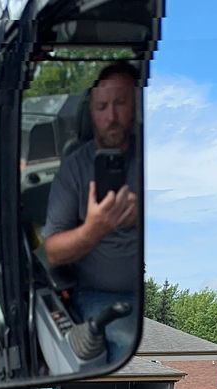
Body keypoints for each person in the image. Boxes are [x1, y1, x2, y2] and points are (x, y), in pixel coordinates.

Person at [43, 62, 143, 365]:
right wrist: (93, 230)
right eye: (102, 106)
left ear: (137, 107)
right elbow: (52, 252)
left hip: (154, 297)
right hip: (102, 297)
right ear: (91, 114)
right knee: (130, 352)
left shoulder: (158, 158)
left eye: (121, 103)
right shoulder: (74, 169)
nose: (111, 117)